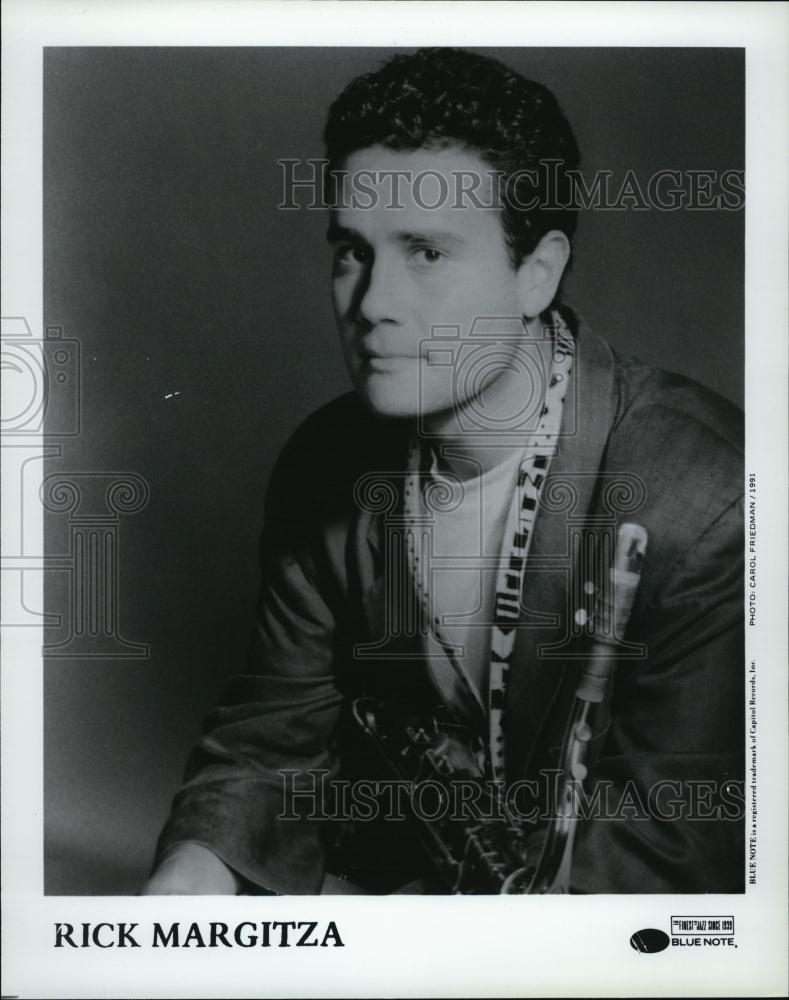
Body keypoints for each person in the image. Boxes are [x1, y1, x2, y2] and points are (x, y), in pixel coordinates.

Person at [144, 48, 744, 895]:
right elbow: (271, 739)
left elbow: (672, 853)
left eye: (425, 253)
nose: (372, 303)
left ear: (536, 273)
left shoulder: (712, 497)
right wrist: (192, 871)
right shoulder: (326, 461)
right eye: (352, 252)